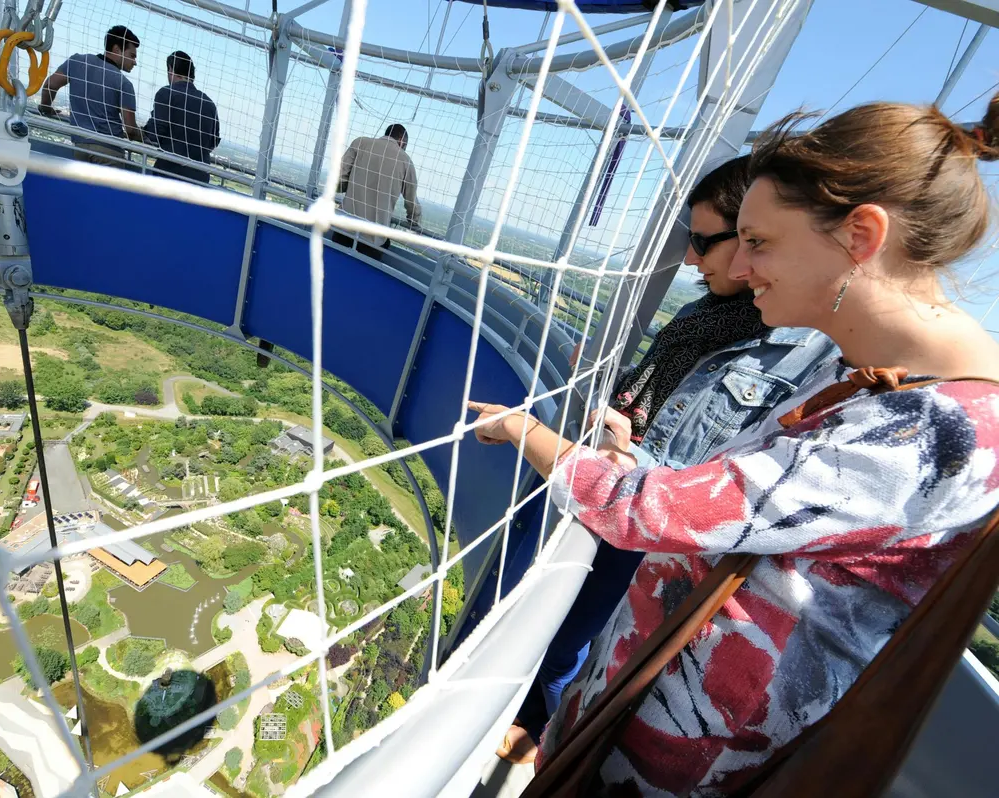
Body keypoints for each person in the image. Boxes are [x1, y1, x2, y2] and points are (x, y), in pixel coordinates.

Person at [470, 96, 999, 794]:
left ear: (861, 236)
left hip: (680, 764)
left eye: (760, 241)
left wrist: (521, 430)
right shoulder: (873, 381)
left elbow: (646, 511)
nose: (740, 268)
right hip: (644, 718)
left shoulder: (940, 434)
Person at [497, 156, 840, 763]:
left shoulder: (802, 356)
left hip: (649, 518)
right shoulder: (702, 315)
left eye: (706, 241)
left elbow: (717, 475)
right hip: (616, 479)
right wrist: (619, 413)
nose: (692, 259)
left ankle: (547, 731)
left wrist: (548, 437)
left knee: (580, 634)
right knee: (561, 616)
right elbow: (671, 403)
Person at [39, 25, 143, 167]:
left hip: (80, 146)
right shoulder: (124, 83)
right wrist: (143, 136)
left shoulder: (77, 61)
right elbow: (130, 130)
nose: (135, 62)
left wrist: (45, 107)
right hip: (109, 153)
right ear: (117, 50)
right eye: (132, 55)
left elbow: (50, 85)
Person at [334, 123, 421, 258]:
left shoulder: (360, 143)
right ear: (402, 141)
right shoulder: (405, 161)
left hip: (343, 228)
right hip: (373, 240)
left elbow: (339, 178)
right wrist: (414, 220)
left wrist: (350, 186)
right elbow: (411, 200)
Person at [143, 51, 221, 184]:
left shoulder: (166, 93)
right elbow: (213, 142)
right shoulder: (209, 103)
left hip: (168, 174)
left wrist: (139, 132)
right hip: (199, 179)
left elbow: (154, 133)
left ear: (170, 69)